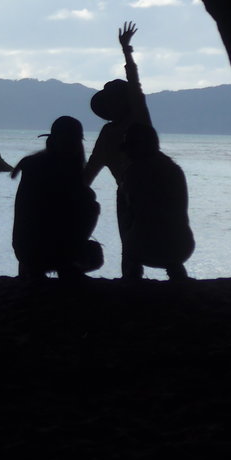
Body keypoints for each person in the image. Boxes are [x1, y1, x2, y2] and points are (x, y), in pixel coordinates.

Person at [84, 21, 153, 278]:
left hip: (134, 193)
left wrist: (127, 52)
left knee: (131, 245)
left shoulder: (131, 124)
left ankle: (132, 279)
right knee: (144, 242)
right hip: (145, 191)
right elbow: (90, 172)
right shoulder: (138, 122)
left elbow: (88, 174)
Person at [11, 116, 101, 281]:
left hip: (25, 250)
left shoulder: (33, 164)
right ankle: (65, 265)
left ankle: (34, 268)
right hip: (43, 249)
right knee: (94, 248)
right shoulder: (59, 168)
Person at [121, 124, 195, 280]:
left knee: (131, 222)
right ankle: (176, 272)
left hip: (144, 246)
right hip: (183, 245)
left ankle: (133, 272)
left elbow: (133, 211)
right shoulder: (174, 169)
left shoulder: (134, 172)